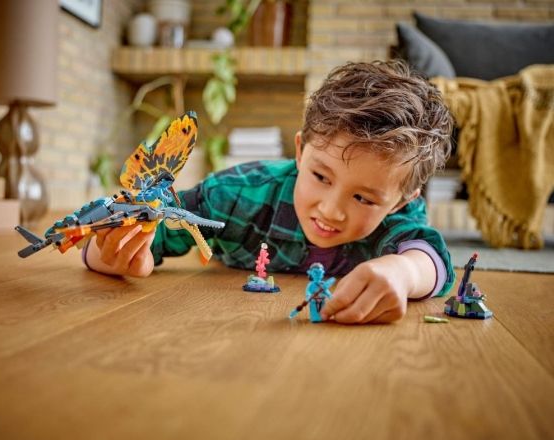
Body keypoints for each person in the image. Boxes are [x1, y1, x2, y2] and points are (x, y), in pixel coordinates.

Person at [85, 60, 455, 324]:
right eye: (321, 176)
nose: (331, 210)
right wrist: (114, 253)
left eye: (363, 198)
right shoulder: (235, 193)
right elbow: (124, 232)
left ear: (402, 201)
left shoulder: (399, 213)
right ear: (300, 151)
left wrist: (404, 272)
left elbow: (430, 258)